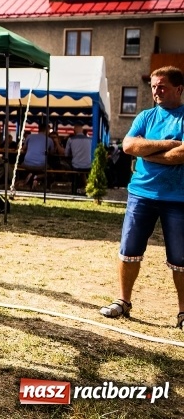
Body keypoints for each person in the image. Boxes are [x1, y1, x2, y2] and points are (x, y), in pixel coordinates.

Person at [99, 66, 184, 331]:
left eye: (162, 86)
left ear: (179, 89)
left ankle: (183, 313)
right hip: (141, 194)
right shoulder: (146, 116)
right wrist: (167, 144)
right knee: (128, 251)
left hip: (178, 198)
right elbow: (128, 146)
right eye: (153, 86)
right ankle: (123, 301)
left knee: (181, 259)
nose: (156, 91)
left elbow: (181, 156)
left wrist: (146, 151)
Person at [20, 122, 62, 189]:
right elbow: (51, 153)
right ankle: (37, 177)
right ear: (46, 130)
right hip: (41, 165)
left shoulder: (29, 137)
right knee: (51, 172)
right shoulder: (49, 140)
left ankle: (31, 176)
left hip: (27, 163)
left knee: (22, 165)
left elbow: (23, 149)